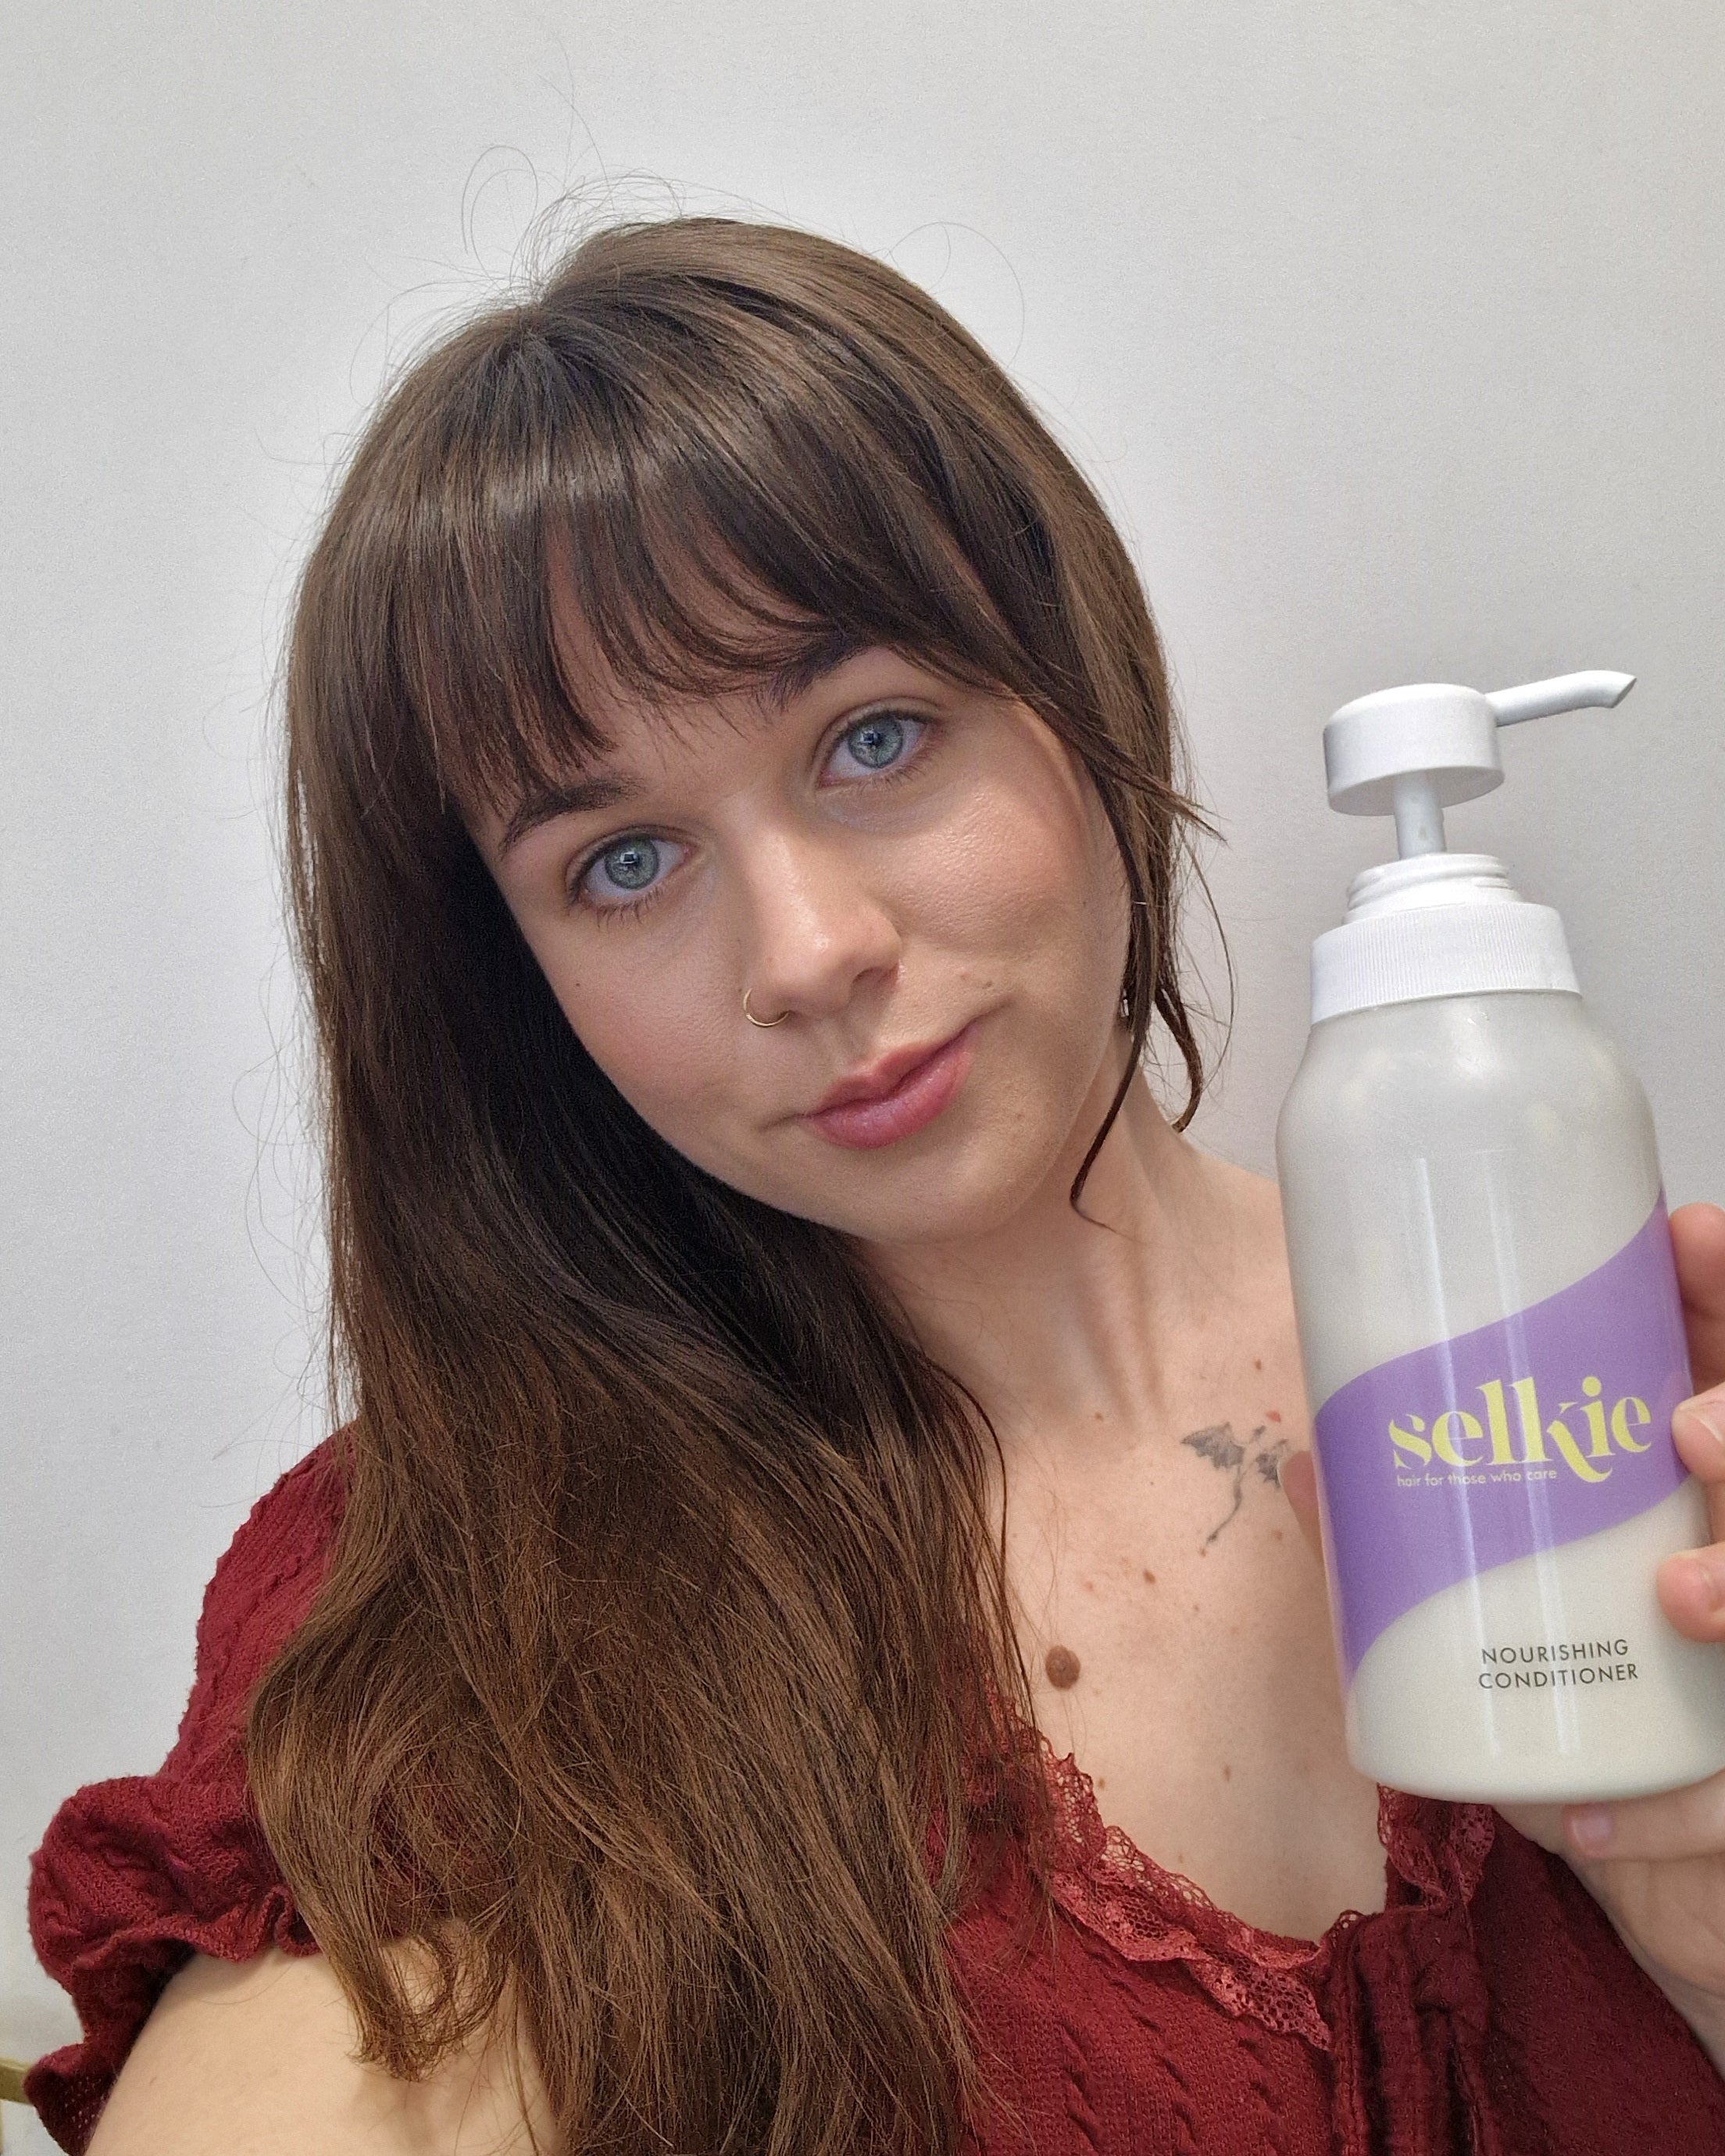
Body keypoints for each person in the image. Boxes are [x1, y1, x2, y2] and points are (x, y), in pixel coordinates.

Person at [23, 213, 1725, 2156]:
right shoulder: (468, 1587)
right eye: (624, 864)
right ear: (517, 991)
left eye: (876, 736)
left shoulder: (1603, 1389)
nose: (810, 949)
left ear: (1075, 686)